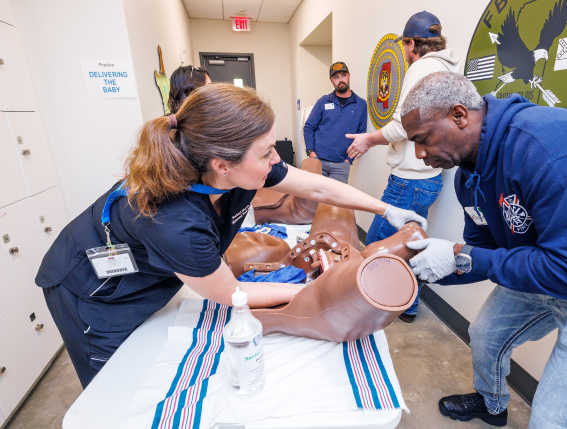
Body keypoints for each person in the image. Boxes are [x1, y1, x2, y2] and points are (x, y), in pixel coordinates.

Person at [35, 83, 427, 388]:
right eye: (267, 152)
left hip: (149, 276)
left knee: (153, 357)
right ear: (223, 166)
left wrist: (385, 208)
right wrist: (322, 292)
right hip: (92, 293)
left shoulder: (235, 167)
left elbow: (319, 188)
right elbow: (230, 294)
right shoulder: (174, 221)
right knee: (119, 386)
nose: (277, 161)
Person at [401, 71, 567, 428]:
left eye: (423, 139)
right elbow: (484, 250)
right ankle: (491, 403)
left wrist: (460, 254)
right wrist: (418, 271)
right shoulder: (471, 174)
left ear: (458, 115)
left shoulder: (550, 146)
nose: (420, 155)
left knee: (554, 422)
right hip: (551, 264)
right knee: (486, 336)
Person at [346, 11, 461, 323]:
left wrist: (369, 139)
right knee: (413, 241)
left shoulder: (422, 67)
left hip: (409, 180)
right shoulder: (449, 70)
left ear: (412, 44)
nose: (405, 54)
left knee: (378, 245)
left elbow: (402, 126)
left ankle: (369, 305)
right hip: (430, 179)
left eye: (405, 47)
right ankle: (407, 305)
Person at [303, 61, 367, 183]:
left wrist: (348, 160)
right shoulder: (323, 101)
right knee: (314, 199)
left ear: (349, 76)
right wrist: (311, 153)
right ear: (331, 80)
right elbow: (309, 127)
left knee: (335, 201)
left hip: (341, 166)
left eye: (343, 75)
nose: (340, 80)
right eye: (336, 77)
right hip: (318, 161)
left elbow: (361, 135)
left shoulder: (361, 104)